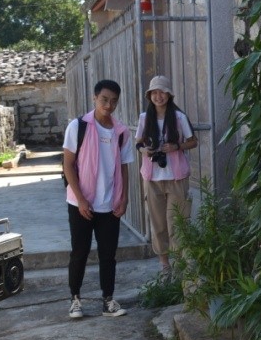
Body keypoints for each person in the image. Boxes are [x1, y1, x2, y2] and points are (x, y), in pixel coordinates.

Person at [63, 79, 134, 319]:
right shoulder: (78, 126)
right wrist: (81, 200)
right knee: (79, 252)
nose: (109, 105)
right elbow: (68, 165)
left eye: (114, 101)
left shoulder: (121, 131)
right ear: (95, 98)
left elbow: (124, 167)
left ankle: (108, 301)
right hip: (80, 202)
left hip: (109, 203)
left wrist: (123, 198)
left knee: (108, 254)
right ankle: (75, 299)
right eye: (104, 99)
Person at [134, 75, 197, 275]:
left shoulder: (179, 117)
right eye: (154, 92)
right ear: (149, 95)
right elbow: (138, 143)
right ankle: (164, 266)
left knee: (177, 222)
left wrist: (176, 146)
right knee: (158, 223)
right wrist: (145, 150)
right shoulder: (145, 118)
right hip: (152, 178)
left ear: (169, 95)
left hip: (176, 177)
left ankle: (180, 264)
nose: (158, 96)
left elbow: (193, 141)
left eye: (162, 92)